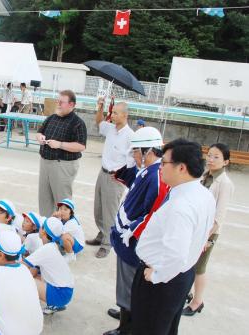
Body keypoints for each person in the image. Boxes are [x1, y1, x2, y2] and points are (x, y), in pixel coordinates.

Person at [131, 138, 215, 335]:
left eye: (164, 163)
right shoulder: (203, 194)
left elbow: (176, 254)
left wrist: (158, 275)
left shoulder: (181, 206)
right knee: (166, 326)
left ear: (181, 168)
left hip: (161, 280)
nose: (160, 167)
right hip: (182, 274)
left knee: (148, 328)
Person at [103, 127, 168, 335]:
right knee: (125, 284)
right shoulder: (147, 170)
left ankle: (127, 327)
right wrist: (123, 174)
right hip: (125, 239)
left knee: (130, 286)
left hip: (132, 242)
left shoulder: (156, 176)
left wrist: (131, 231)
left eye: (136, 151)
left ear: (149, 151)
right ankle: (125, 313)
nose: (134, 155)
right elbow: (136, 185)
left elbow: (153, 214)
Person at [183, 143, 234, 316]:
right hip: (196, 228)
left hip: (209, 232)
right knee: (188, 262)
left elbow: (219, 217)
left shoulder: (224, 183)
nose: (211, 160)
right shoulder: (204, 176)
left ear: (226, 162)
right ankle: (187, 293)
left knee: (199, 267)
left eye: (216, 157)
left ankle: (198, 302)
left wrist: (205, 237)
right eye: (209, 155)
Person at [87, 98, 134, 258]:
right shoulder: (111, 129)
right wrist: (100, 107)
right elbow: (99, 122)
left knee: (110, 212)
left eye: (115, 113)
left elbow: (133, 161)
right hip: (103, 172)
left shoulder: (130, 136)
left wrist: (121, 176)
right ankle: (102, 234)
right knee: (98, 208)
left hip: (115, 178)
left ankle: (107, 244)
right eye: (112, 112)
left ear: (125, 116)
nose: (112, 115)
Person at [36, 90, 87, 217]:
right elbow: (39, 132)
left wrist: (60, 144)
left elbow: (81, 146)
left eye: (61, 102)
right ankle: (47, 228)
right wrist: (40, 137)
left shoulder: (78, 123)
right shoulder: (51, 118)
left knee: (62, 202)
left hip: (62, 165)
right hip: (45, 162)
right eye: (57, 101)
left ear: (71, 104)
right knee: (44, 199)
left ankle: (63, 229)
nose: (58, 104)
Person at [23, 217, 75, 315]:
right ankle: (54, 305)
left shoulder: (46, 249)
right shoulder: (52, 246)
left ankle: (25, 308)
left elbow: (22, 266)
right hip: (66, 291)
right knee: (34, 274)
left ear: (43, 231)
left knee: (24, 280)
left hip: (60, 294)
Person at [53, 199, 85, 263]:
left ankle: (70, 255)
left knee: (64, 237)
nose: (62, 211)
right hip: (71, 240)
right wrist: (53, 217)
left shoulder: (72, 223)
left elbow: (58, 234)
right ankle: (63, 249)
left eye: (65, 209)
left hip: (78, 245)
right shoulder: (61, 218)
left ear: (71, 212)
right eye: (60, 209)